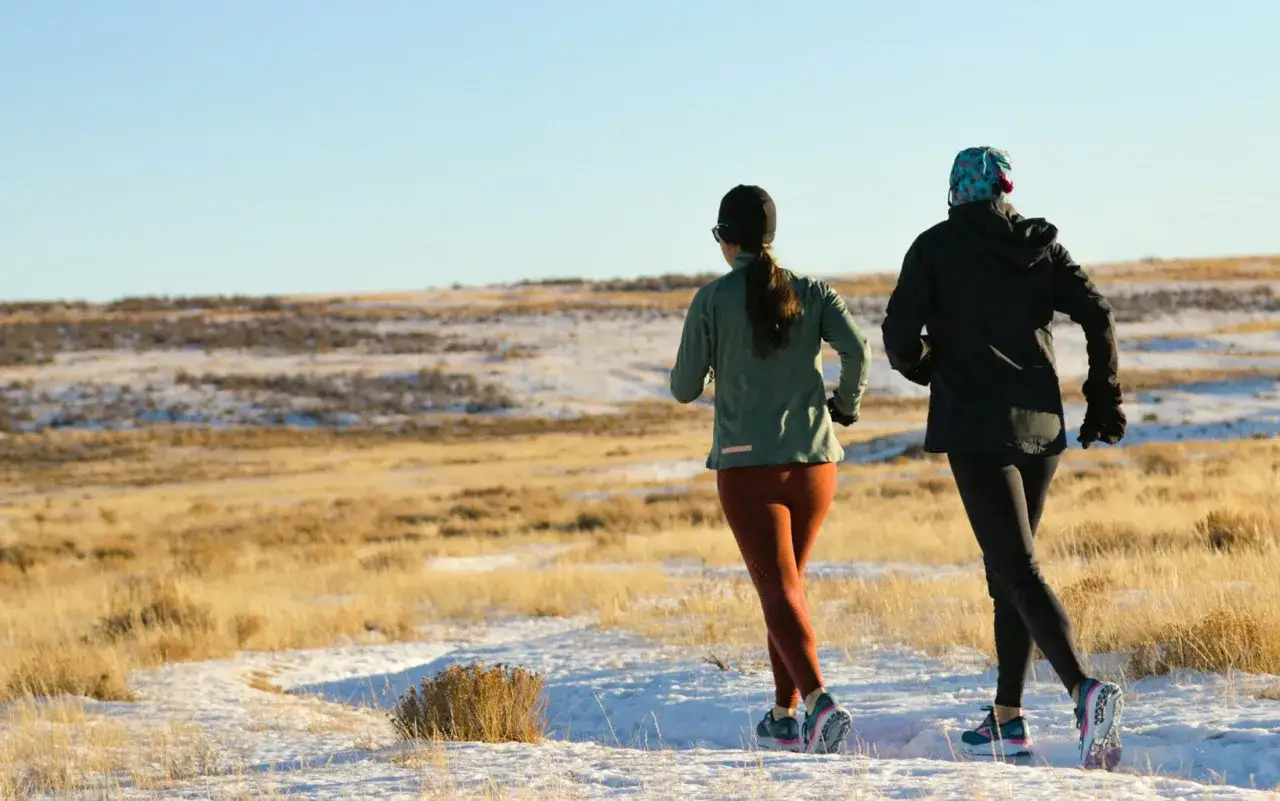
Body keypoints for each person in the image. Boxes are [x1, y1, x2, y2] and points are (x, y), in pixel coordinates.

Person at [881, 147, 1128, 770]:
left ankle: (1084, 690)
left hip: (975, 425)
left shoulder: (934, 247)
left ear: (955, 190)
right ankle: (1007, 719)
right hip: (1041, 427)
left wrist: (926, 366)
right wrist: (1101, 397)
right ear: (1005, 189)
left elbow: (896, 336)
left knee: (1016, 569)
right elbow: (1098, 314)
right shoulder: (1041, 245)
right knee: (1008, 571)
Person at [669, 185, 871, 754]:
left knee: (778, 589)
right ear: (771, 238)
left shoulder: (710, 300)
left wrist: (712, 373)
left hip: (745, 467)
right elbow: (857, 352)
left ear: (725, 240)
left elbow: (684, 389)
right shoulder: (812, 291)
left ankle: (819, 703)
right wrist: (846, 408)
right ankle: (784, 714)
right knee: (787, 589)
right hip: (814, 465)